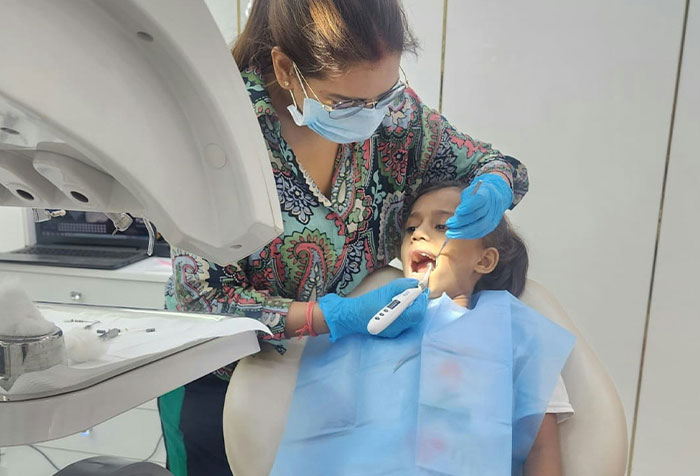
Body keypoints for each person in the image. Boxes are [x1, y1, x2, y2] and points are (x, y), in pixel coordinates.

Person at [158, 1, 529, 475]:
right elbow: (199, 303)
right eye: (347, 104)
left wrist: (494, 182)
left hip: (338, 378)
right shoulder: (217, 137)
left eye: (386, 93)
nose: (370, 118)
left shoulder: (396, 117)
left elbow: (494, 163)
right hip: (219, 384)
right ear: (285, 69)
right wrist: (326, 316)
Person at [400, 181, 572, 475]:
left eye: (442, 225)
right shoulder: (379, 323)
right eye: (410, 228)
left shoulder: (515, 338)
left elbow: (542, 450)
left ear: (484, 260)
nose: (418, 234)